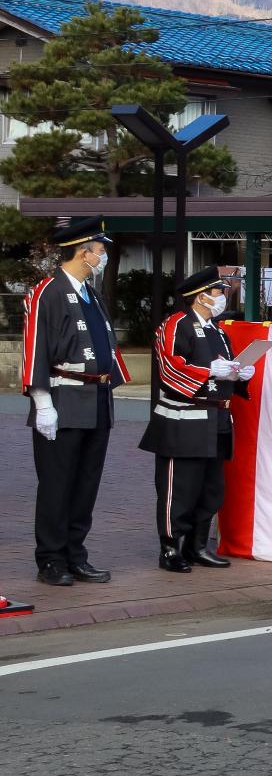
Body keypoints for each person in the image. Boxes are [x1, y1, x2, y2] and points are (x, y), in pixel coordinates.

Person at [24, 218, 129, 587]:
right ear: (83, 252)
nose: (102, 258)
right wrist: (41, 401)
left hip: (96, 397)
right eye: (99, 252)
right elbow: (35, 345)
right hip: (63, 396)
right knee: (57, 483)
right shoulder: (47, 291)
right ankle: (51, 559)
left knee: (85, 483)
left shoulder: (90, 292)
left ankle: (75, 553)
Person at [139, 267, 252, 572]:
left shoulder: (219, 332)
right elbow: (170, 368)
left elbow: (223, 370)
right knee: (180, 487)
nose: (223, 298)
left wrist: (239, 375)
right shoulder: (176, 324)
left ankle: (197, 545)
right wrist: (209, 372)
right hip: (184, 417)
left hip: (216, 416)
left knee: (211, 487)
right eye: (218, 292)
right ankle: (170, 547)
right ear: (201, 296)